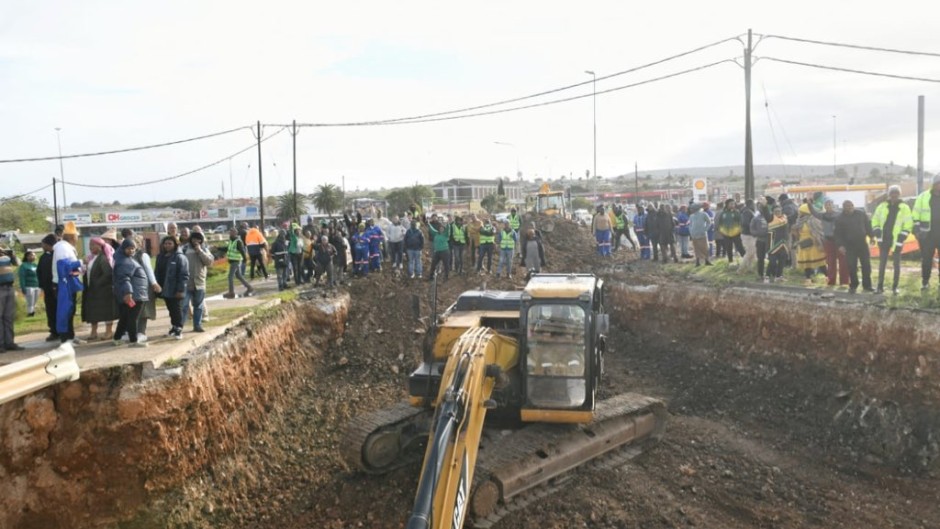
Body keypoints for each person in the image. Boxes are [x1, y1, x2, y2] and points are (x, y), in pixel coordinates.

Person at [872, 186, 913, 295]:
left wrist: (901, 238)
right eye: (892, 193)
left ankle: (895, 288)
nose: (894, 195)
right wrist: (876, 230)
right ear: (889, 194)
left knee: (896, 264)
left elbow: (908, 225)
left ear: (899, 194)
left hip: (897, 241)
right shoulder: (881, 206)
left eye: (896, 193)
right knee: (882, 264)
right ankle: (879, 287)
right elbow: (875, 219)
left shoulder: (905, 207)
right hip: (883, 240)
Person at [112, 238, 149, 348]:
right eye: (129, 248)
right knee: (132, 318)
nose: (131, 251)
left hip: (134, 293)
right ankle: (133, 341)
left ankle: (117, 338)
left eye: (133, 248)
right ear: (123, 248)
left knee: (124, 317)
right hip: (134, 295)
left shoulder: (124, 259)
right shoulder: (125, 261)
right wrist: (128, 293)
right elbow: (124, 279)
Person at [81, 237, 119, 341]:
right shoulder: (91, 258)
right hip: (92, 290)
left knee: (107, 312)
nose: (90, 247)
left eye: (93, 245)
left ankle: (108, 331)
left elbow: (107, 274)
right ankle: (93, 332)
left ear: (100, 246)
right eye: (90, 245)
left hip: (103, 291)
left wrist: (96, 283)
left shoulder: (103, 258)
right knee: (93, 312)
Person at [833, 200, 874, 294]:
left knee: (866, 265)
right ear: (843, 207)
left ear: (853, 206)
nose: (849, 208)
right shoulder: (839, 218)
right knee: (852, 266)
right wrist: (840, 245)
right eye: (846, 206)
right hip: (849, 246)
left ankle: (867, 285)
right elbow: (837, 234)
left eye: (850, 206)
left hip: (862, 244)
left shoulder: (861, 214)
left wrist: (871, 236)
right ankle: (854, 285)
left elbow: (868, 226)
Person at [808, 198, 849, 288]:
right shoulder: (822, 215)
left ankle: (844, 282)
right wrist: (809, 204)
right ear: (824, 206)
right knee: (830, 262)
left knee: (843, 262)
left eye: (830, 204)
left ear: (833, 205)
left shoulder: (840, 214)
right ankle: (831, 281)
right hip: (828, 241)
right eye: (826, 204)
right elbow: (813, 212)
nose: (828, 206)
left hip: (840, 241)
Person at [53, 221, 82, 343]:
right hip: (64, 283)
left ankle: (70, 335)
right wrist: (79, 262)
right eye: (76, 237)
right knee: (65, 310)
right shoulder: (63, 247)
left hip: (69, 283)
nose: (77, 239)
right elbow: (64, 266)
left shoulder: (67, 247)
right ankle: (65, 338)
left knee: (71, 310)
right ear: (72, 237)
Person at [155, 236, 190, 339]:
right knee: (171, 309)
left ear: (175, 244)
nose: (167, 245)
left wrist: (180, 289)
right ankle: (174, 327)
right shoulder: (160, 256)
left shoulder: (180, 257)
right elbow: (157, 271)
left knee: (176, 309)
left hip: (175, 289)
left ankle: (179, 328)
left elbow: (184, 275)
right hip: (164, 288)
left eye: (170, 243)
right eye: (166, 243)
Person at [180, 230, 212, 332]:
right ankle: (179, 326)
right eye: (194, 238)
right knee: (184, 305)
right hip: (186, 283)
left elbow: (209, 262)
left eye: (198, 239)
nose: (196, 241)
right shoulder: (184, 249)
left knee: (198, 305)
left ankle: (197, 325)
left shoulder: (204, 249)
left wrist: (200, 252)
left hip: (200, 283)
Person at [912, 174, 940, 291]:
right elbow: (915, 214)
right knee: (927, 259)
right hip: (927, 235)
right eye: (938, 183)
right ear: (933, 184)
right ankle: (925, 282)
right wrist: (917, 230)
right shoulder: (923, 197)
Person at [793, 204, 827, 285]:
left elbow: (819, 231)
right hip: (803, 244)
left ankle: (828, 277)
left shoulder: (813, 220)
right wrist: (795, 232)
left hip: (814, 244)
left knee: (821, 263)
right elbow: (797, 234)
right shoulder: (799, 221)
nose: (799, 213)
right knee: (806, 263)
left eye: (801, 211)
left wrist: (817, 241)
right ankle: (808, 279)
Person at [0, 244, 22, 353]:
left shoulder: (6, 256)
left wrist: (12, 255)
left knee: (8, 316)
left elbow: (18, 263)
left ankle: (9, 342)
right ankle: (1, 344)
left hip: (9, 287)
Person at [37, 234, 59, 341]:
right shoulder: (44, 257)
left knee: (59, 309)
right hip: (47, 289)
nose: (42, 246)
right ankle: (53, 331)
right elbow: (39, 272)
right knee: (50, 310)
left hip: (58, 288)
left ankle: (62, 330)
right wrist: (42, 285)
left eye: (44, 244)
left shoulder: (58, 255)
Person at [224, 228, 254, 298]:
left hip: (236, 261)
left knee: (230, 276)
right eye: (229, 232)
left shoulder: (238, 241)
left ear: (235, 233)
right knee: (238, 276)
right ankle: (249, 287)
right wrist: (218, 248)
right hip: (233, 261)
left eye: (231, 232)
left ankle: (231, 292)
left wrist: (245, 259)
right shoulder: (231, 241)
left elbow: (242, 251)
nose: (230, 234)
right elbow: (227, 249)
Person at [716, 198, 745, 264]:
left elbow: (740, 222)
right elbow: (720, 223)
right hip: (726, 234)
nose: (733, 205)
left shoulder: (737, 212)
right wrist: (722, 231)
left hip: (736, 234)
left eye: (734, 204)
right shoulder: (723, 213)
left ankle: (746, 262)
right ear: (727, 204)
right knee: (729, 249)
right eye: (731, 204)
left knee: (740, 248)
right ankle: (730, 262)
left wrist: (739, 231)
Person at [767, 206, 790, 282]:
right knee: (772, 262)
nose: (777, 213)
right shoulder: (770, 219)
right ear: (773, 213)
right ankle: (768, 275)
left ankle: (779, 276)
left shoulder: (785, 219)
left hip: (783, 243)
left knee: (782, 262)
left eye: (779, 211)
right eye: (776, 211)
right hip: (773, 244)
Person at [749, 201, 770, 282]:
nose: (761, 208)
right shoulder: (755, 218)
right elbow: (751, 228)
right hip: (760, 240)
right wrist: (758, 233)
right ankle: (760, 274)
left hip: (769, 240)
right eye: (759, 207)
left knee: (772, 258)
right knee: (760, 258)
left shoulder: (770, 217)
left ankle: (770, 274)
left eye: (762, 207)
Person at [428, 217, 452, 281]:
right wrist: (428, 223)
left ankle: (446, 277)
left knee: (446, 264)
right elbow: (431, 229)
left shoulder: (445, 234)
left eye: (442, 228)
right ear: (438, 229)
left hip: (445, 251)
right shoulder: (436, 233)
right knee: (433, 264)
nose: (441, 229)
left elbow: (448, 228)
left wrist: (448, 223)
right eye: (440, 228)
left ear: (444, 229)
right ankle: (431, 276)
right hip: (437, 252)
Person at [18, 250, 39, 317]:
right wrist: (23, 287)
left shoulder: (35, 265)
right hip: (28, 286)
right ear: (27, 257)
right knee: (30, 301)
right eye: (32, 255)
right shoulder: (23, 266)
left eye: (34, 255)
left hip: (36, 285)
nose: (34, 257)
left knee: (35, 300)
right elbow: (22, 277)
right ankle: (30, 313)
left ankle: (33, 311)